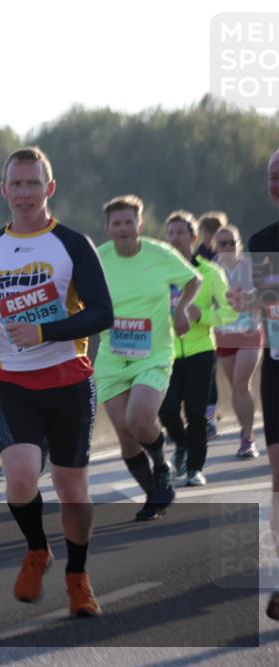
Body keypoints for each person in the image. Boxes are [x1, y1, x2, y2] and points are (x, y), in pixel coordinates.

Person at [0, 146, 113, 617]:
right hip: (14, 381)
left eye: (34, 183)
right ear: (4, 189)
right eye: (17, 183)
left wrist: (45, 331)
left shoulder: (72, 244)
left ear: (49, 188)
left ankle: (78, 575)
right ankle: (37, 548)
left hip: (69, 380)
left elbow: (102, 313)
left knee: (72, 490)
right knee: (20, 478)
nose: (25, 192)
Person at [94, 196, 201, 519]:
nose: (124, 228)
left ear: (140, 225)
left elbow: (193, 280)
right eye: (117, 223)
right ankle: (153, 495)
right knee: (126, 435)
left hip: (152, 353)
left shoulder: (160, 254)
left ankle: (162, 466)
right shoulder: (98, 259)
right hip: (112, 358)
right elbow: (75, 295)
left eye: (129, 222)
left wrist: (181, 309)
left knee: (138, 419)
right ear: (108, 228)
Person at [232, 146, 279, 620]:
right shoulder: (263, 238)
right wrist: (245, 299)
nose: (277, 181)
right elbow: (261, 308)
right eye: (272, 175)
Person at [158, 210, 237, 486]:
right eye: (171, 233)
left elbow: (229, 314)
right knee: (166, 410)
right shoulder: (159, 273)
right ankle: (181, 444)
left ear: (193, 238)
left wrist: (201, 316)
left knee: (195, 411)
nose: (175, 238)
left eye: (181, 233)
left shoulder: (210, 273)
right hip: (166, 352)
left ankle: (194, 469)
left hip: (201, 351)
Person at [212, 225, 263, 458]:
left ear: (239, 244)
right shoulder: (211, 270)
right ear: (215, 246)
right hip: (224, 334)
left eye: (232, 242)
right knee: (237, 387)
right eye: (223, 243)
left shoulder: (252, 267)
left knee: (241, 383)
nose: (228, 247)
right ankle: (245, 431)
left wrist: (251, 299)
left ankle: (248, 438)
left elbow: (267, 293)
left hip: (250, 332)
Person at [197, 212, 230, 439]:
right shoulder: (197, 256)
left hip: (229, 319)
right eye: (207, 233)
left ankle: (209, 417)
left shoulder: (230, 252)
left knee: (214, 375)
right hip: (203, 321)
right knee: (206, 374)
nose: (211, 238)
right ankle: (203, 419)